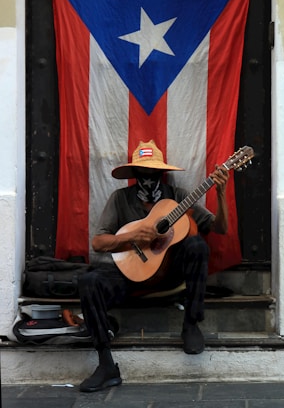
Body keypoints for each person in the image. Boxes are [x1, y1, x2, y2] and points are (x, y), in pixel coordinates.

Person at [78, 139, 229, 393]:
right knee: (87, 281)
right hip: (130, 274)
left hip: (169, 272)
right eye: (142, 173)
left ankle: (191, 323)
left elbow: (220, 228)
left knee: (197, 246)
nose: (148, 178)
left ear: (162, 173)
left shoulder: (179, 198)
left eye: (153, 173)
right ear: (134, 174)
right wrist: (132, 237)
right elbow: (98, 242)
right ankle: (105, 364)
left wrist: (221, 193)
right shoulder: (120, 199)